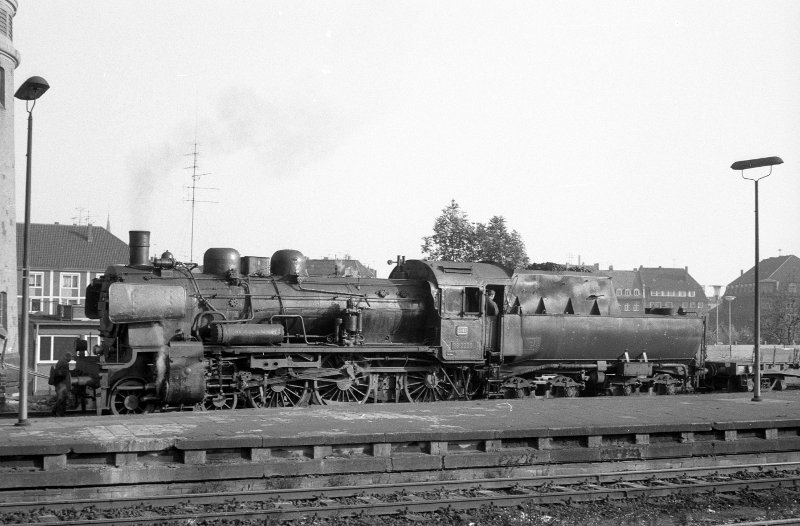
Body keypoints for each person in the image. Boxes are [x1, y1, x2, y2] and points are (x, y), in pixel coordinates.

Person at [49, 352, 74, 417]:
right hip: (61, 383)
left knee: (61, 398)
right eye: (70, 358)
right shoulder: (64, 363)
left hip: (59, 383)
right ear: (67, 357)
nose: (71, 359)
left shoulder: (61, 361)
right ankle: (58, 413)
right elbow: (64, 374)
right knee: (61, 398)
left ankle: (57, 412)